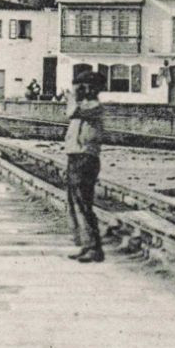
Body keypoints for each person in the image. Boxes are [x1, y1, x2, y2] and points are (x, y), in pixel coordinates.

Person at [64, 69, 106, 263]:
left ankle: (94, 247)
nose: (82, 90)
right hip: (74, 156)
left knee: (84, 203)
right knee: (75, 204)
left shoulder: (95, 106)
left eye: (85, 86)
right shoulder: (82, 104)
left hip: (86, 158)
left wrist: (72, 96)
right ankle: (85, 244)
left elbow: (72, 112)